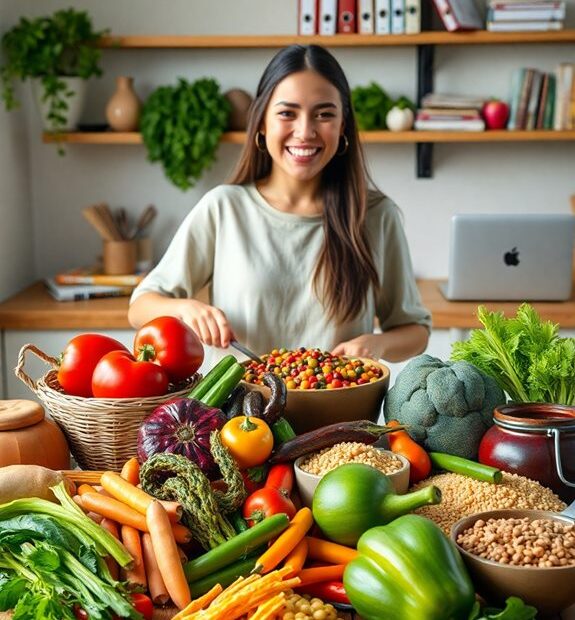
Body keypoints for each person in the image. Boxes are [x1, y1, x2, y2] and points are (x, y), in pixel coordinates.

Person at [128, 44, 431, 364]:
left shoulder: (375, 216)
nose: (305, 131)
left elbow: (415, 330)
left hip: (342, 412)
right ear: (261, 122)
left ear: (343, 125)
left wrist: (377, 344)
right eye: (287, 113)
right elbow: (140, 307)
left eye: (325, 114)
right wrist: (185, 309)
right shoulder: (223, 208)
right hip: (240, 413)